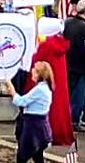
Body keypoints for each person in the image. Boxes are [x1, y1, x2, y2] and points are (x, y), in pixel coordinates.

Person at [2, 61, 55, 163]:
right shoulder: (45, 88)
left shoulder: (39, 90)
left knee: (22, 157)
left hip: (33, 126)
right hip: (40, 125)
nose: (31, 71)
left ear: (40, 74)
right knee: (38, 157)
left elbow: (21, 101)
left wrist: (11, 89)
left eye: (35, 70)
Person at [28, 17, 74, 147]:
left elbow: (36, 60)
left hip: (45, 80)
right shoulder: (60, 43)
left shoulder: (46, 44)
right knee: (59, 107)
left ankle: (46, 134)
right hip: (58, 81)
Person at [64, 0, 85, 132]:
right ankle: (74, 120)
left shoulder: (67, 23)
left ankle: (65, 119)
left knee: (68, 93)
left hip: (66, 63)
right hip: (81, 65)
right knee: (78, 95)